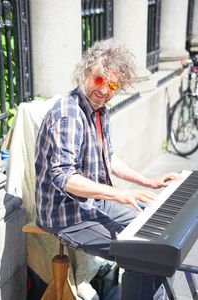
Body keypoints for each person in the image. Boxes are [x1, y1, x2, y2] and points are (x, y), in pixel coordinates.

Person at [35, 38, 178, 300]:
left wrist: (147, 181)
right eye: (100, 80)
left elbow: (109, 157)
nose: (105, 90)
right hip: (66, 215)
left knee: (156, 241)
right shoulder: (68, 114)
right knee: (140, 255)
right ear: (85, 72)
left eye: (113, 85)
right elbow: (63, 177)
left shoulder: (99, 110)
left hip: (94, 203)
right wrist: (121, 195)